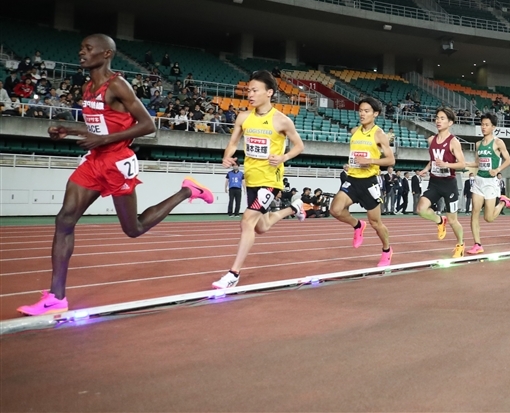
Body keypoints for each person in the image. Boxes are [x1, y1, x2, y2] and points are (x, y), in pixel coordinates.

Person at [17, 34, 214, 316]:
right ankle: (56, 297)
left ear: (106, 54)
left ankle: (187, 191)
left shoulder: (117, 85)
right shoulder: (87, 87)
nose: (81, 53)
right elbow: (100, 129)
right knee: (65, 219)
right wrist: (69, 131)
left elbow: (147, 126)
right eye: (81, 48)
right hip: (95, 159)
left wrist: (104, 141)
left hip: (117, 162)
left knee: (133, 229)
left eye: (88, 49)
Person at [212, 70, 306, 289]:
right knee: (261, 227)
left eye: (255, 90)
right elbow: (234, 142)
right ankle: (293, 209)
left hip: (270, 181)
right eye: (248, 90)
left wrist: (284, 156)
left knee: (247, 221)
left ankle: (233, 273)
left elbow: (300, 146)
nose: (250, 94)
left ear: (269, 92)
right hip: (251, 179)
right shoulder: (244, 117)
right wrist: (227, 154)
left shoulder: (282, 121)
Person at [330, 97, 396, 267]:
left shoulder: (379, 134)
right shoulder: (354, 131)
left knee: (376, 223)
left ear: (375, 114)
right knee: (335, 210)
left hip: (369, 182)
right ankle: (358, 225)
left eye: (366, 111)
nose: (362, 114)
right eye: (360, 110)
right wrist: (352, 163)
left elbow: (390, 160)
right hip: (352, 178)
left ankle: (387, 250)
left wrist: (370, 161)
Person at [416, 107, 466, 257]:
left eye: (442, 118)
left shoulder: (454, 142)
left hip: (449, 184)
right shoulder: (431, 140)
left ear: (450, 122)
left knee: (453, 220)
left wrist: (447, 165)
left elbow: (462, 164)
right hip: (434, 182)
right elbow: (433, 160)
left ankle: (460, 244)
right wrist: (426, 169)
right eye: (437, 117)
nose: (438, 120)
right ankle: (439, 221)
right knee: (421, 209)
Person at [464, 113, 510, 255]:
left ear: (493, 127)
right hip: (479, 181)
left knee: (489, 218)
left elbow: (509, 160)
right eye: (482, 124)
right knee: (474, 212)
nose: (483, 127)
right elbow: (477, 163)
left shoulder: (498, 142)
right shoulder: (478, 144)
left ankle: (503, 202)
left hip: (491, 183)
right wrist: (464, 163)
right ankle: (477, 244)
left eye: (487, 125)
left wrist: (497, 169)